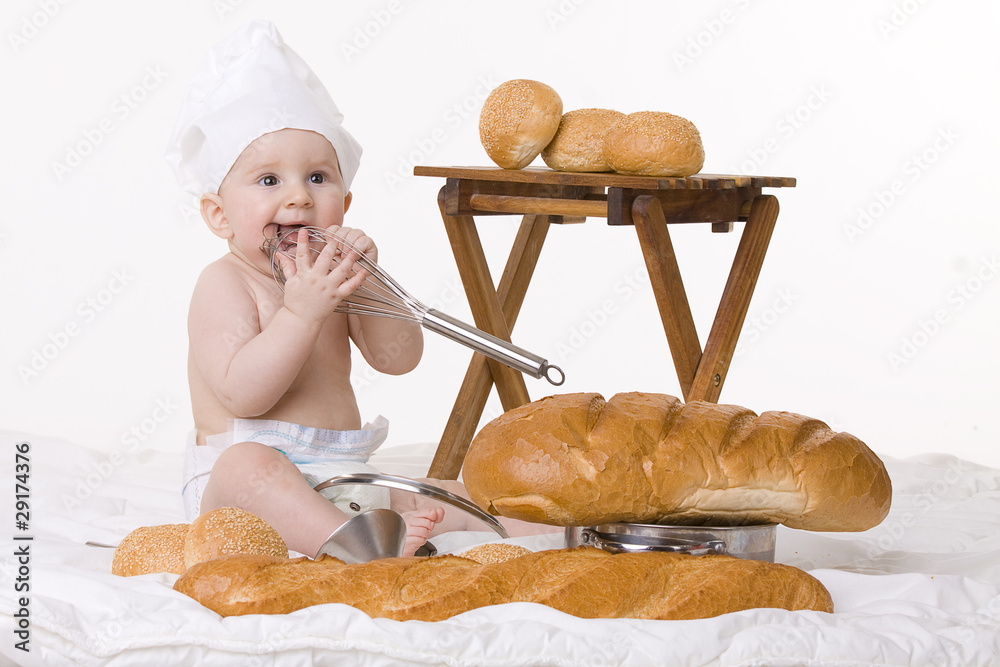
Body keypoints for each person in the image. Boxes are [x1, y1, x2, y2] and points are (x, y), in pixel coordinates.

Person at [167, 21, 553, 558]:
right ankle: (360, 544)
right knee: (247, 466)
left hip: (342, 474)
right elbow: (242, 396)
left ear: (345, 205)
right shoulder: (224, 283)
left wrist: (372, 283)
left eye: (319, 178)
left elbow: (400, 359)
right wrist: (300, 314)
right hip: (248, 486)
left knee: (443, 497)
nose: (299, 198)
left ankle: (569, 537)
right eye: (269, 180)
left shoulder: (338, 279)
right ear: (218, 215)